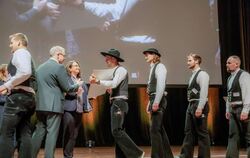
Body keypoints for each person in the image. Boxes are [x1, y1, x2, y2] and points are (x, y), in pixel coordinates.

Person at [89, 48, 144, 158]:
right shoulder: (116, 71)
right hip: (117, 103)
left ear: (114, 59)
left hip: (119, 103)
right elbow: (113, 86)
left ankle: (137, 153)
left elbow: (114, 84)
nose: (106, 60)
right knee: (119, 130)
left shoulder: (120, 70)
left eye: (108, 58)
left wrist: (98, 81)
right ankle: (121, 156)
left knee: (116, 130)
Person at [31, 46, 82, 158]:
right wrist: (78, 84)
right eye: (63, 55)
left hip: (40, 105)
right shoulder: (59, 67)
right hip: (54, 106)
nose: (63, 58)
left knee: (39, 132)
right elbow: (68, 88)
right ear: (58, 54)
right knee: (52, 134)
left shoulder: (40, 67)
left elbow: (35, 86)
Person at [0, 33, 37, 158]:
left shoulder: (20, 53)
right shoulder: (26, 54)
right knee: (24, 133)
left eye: (12, 43)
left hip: (18, 99)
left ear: (19, 43)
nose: (10, 45)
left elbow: (26, 72)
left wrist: (6, 85)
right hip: (28, 98)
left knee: (6, 133)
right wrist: (10, 86)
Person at [177, 53, 210, 158]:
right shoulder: (192, 75)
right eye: (188, 60)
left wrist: (200, 107)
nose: (187, 63)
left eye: (190, 60)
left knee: (202, 133)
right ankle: (185, 155)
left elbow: (204, 92)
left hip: (198, 104)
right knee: (188, 131)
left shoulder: (202, 74)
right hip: (191, 104)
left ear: (196, 61)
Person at [142, 48, 174, 158]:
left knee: (154, 130)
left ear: (155, 55)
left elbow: (161, 86)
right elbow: (153, 88)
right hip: (154, 99)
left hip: (158, 100)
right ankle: (167, 155)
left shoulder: (160, 67)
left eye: (148, 54)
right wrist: (149, 103)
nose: (145, 56)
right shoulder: (153, 68)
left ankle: (156, 156)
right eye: (145, 54)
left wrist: (156, 102)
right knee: (159, 129)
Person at [62, 60, 91, 158]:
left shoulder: (80, 80)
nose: (77, 67)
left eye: (78, 65)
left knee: (74, 135)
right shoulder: (67, 79)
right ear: (69, 68)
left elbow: (84, 94)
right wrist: (76, 91)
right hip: (69, 109)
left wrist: (90, 97)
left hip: (79, 109)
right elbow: (67, 91)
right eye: (75, 66)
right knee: (68, 133)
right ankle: (67, 155)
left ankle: (69, 155)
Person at [225, 55, 250, 157]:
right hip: (232, 109)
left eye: (229, 63)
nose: (227, 65)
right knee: (232, 135)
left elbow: (247, 93)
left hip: (241, 108)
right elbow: (229, 95)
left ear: (237, 64)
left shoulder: (244, 75)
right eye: (227, 63)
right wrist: (227, 109)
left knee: (248, 136)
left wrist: (245, 110)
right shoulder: (230, 78)